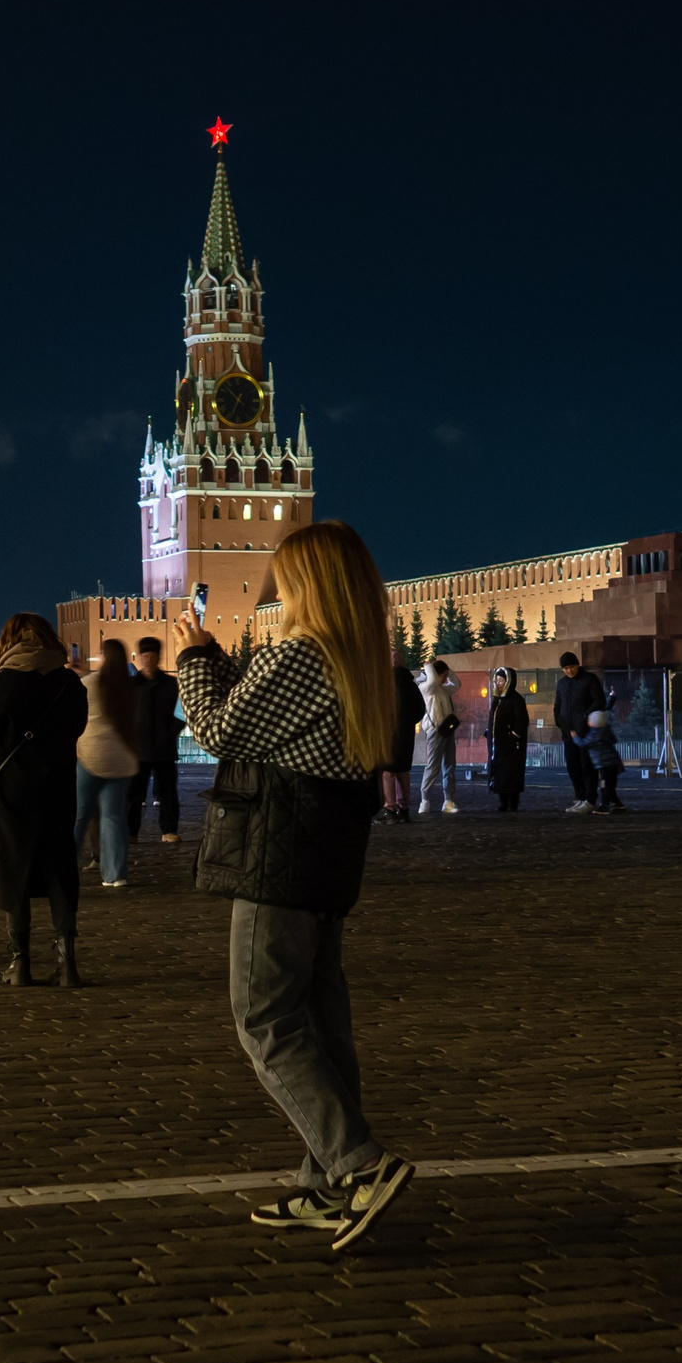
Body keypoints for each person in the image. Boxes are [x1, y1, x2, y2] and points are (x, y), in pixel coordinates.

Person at [173, 519, 415, 1253]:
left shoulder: (301, 657)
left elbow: (217, 731)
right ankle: (321, 1185)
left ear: (311, 584)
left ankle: (359, 1165)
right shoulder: (361, 659)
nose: (276, 589)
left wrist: (193, 658)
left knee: (265, 1021)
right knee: (319, 1019)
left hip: (281, 854)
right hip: (330, 854)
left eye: (285, 578)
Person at [0, 612, 88, 986]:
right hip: (60, 789)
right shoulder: (70, 684)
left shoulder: (5, 684)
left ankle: (20, 963)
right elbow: (77, 728)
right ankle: (67, 963)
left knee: (13, 868)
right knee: (60, 869)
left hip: (15, 793)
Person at [74, 637, 141, 888]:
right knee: (114, 816)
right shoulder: (130, 687)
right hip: (122, 758)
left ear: (104, 656)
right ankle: (115, 874)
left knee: (80, 814)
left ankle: (64, 869)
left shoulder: (90, 684)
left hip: (91, 754)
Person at [129, 637, 185, 843]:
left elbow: (181, 713)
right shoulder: (132, 685)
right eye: (145, 656)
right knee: (134, 794)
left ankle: (169, 830)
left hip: (164, 748)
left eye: (151, 656)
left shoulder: (171, 684)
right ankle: (130, 832)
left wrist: (170, 733)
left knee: (168, 793)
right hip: (138, 749)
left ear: (157, 657)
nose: (148, 660)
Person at [553, 652, 605, 812]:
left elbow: (599, 701)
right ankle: (580, 797)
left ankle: (589, 799)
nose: (569, 671)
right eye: (566, 668)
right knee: (573, 767)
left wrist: (585, 717)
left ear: (578, 664)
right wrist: (561, 724)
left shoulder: (589, 680)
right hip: (569, 734)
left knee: (587, 767)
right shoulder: (562, 684)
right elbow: (558, 705)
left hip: (586, 733)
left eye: (572, 667)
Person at [378, 662, 423, 823]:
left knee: (388, 772)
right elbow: (420, 709)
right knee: (403, 771)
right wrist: (408, 723)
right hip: (406, 734)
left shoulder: (385, 685)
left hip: (389, 733)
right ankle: (404, 809)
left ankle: (390, 809)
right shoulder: (411, 686)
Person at [416, 659, 461, 814]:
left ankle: (448, 800)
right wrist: (428, 666)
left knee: (449, 765)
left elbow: (456, 684)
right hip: (435, 731)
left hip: (447, 729)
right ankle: (425, 800)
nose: (444, 679)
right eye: (443, 675)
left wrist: (449, 670)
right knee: (433, 766)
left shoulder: (442, 689)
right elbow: (433, 680)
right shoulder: (426, 687)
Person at [487, 666, 530, 811]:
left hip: (511, 746)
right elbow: (494, 718)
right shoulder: (497, 699)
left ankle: (513, 802)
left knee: (511, 773)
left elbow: (521, 720)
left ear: (509, 681)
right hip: (499, 744)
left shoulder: (516, 699)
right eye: (497, 680)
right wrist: (490, 731)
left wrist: (513, 736)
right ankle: (502, 801)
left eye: (501, 680)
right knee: (499, 772)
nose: (499, 683)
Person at [573, 696, 623, 813]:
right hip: (613, 762)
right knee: (611, 784)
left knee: (605, 785)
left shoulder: (594, 735)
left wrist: (575, 737)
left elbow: (583, 743)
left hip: (603, 764)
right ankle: (617, 803)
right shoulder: (607, 732)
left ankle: (604, 805)